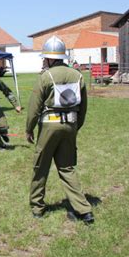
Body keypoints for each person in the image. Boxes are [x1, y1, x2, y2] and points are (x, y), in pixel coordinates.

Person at [25, 36, 94, 223]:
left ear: (49, 58)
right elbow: (83, 107)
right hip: (70, 125)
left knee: (41, 167)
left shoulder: (46, 76)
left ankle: (37, 207)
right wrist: (75, 126)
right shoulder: (77, 75)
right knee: (67, 168)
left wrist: (29, 129)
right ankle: (84, 210)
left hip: (49, 127)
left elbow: (34, 106)